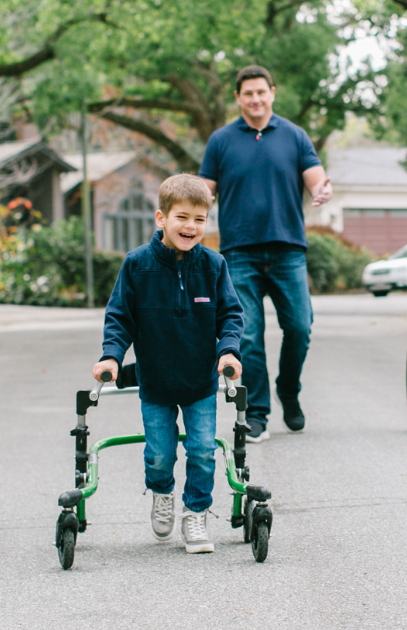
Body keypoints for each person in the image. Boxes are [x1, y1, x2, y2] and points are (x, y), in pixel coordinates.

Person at [92, 174, 244, 554]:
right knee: (160, 454)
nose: (191, 227)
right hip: (156, 383)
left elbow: (231, 315)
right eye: (182, 217)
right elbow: (119, 317)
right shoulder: (137, 266)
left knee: (203, 451)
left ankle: (196, 513)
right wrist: (111, 356)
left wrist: (228, 350)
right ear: (161, 218)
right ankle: (162, 493)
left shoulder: (213, 266)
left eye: (199, 219)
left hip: (200, 382)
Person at [198, 65, 331, 443]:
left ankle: (288, 391)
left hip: (288, 249)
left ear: (272, 92)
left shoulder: (294, 135)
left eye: (261, 91)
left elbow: (316, 180)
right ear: (238, 98)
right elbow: (204, 193)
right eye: (247, 93)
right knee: (249, 336)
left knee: (300, 328)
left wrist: (322, 191)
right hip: (239, 253)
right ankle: (256, 413)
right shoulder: (221, 141)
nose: (255, 99)